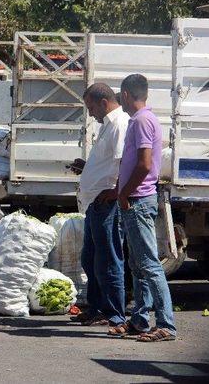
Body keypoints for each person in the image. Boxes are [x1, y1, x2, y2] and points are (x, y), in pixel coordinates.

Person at [117, 73, 176, 342]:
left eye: (122, 97)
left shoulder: (141, 121)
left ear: (127, 95)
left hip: (138, 200)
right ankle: (140, 320)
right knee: (137, 264)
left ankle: (166, 324)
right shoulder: (144, 119)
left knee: (149, 265)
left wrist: (125, 193)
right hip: (137, 199)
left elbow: (143, 163)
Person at [68, 83, 129, 330]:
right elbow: (107, 163)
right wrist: (87, 167)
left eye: (91, 107)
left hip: (107, 204)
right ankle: (96, 308)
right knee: (90, 258)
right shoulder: (107, 126)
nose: (90, 113)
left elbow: (124, 161)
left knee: (108, 260)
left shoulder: (119, 124)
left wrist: (115, 192)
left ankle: (114, 313)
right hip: (95, 203)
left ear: (103, 102)